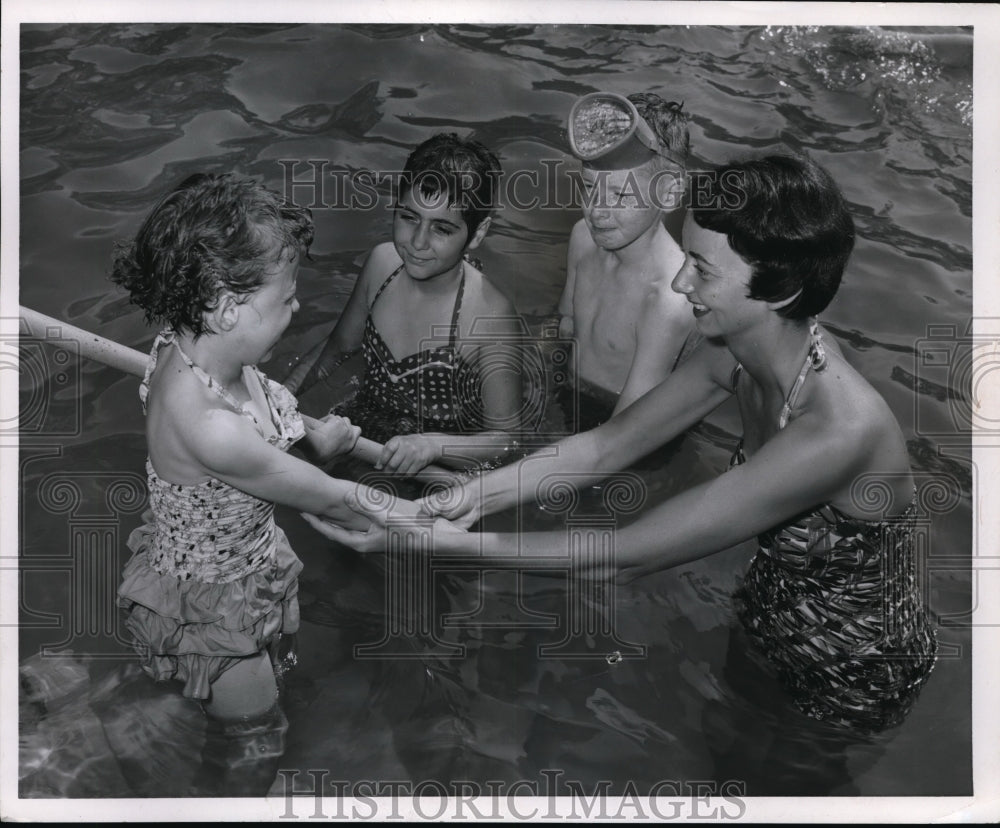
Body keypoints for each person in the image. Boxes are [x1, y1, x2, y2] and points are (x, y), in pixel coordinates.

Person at [307, 155, 938, 739]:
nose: (681, 280)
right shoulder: (735, 354)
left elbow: (626, 555)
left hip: (856, 660)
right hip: (770, 601)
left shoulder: (839, 431)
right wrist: (463, 498)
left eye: (704, 268)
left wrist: (434, 540)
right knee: (735, 739)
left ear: (778, 291)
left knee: (791, 773)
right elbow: (605, 447)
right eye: (688, 256)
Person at [109, 172, 417, 795]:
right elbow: (323, 494)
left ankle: (167, 702)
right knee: (256, 731)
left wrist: (313, 432)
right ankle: (233, 796)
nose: (298, 306)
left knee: (272, 666)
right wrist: (420, 518)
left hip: (244, 558)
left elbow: (253, 408)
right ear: (226, 307)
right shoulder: (207, 428)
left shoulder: (187, 343)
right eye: (287, 297)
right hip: (212, 598)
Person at [284, 133, 524, 476]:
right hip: (365, 426)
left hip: (441, 460)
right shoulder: (383, 265)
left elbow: (506, 440)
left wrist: (431, 445)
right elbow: (337, 349)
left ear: (478, 233)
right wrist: (281, 396)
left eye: (442, 229)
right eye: (409, 217)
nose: (417, 242)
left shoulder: (490, 315)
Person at [557, 91, 699, 429]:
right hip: (571, 395)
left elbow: (630, 428)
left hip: (622, 425)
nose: (596, 210)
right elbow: (565, 325)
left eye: (621, 194)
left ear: (668, 193)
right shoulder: (582, 237)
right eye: (589, 187)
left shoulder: (668, 300)